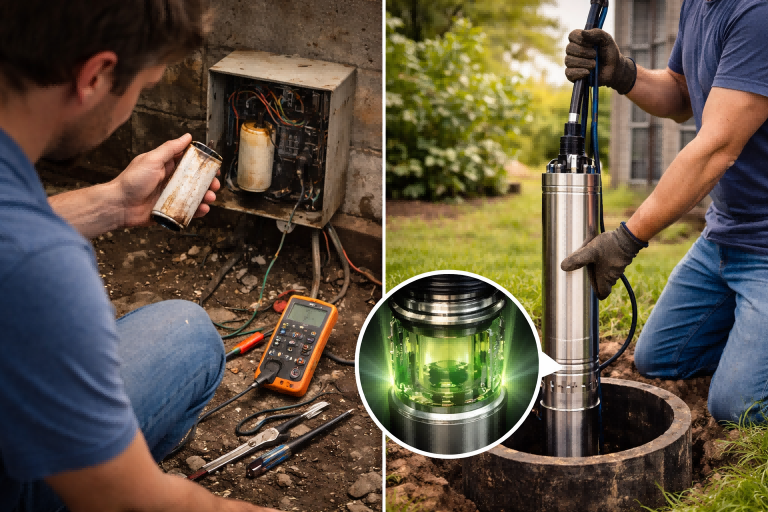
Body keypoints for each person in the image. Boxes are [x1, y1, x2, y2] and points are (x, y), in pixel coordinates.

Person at [0, 2, 277, 511]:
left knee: (182, 325)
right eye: (142, 88)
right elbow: (132, 501)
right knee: (193, 335)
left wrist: (113, 202)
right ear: (98, 75)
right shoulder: (42, 267)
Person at [561, 0, 768, 425]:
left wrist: (626, 238)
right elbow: (679, 94)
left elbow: (716, 149)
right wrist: (624, 74)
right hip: (725, 236)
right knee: (662, 357)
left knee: (736, 407)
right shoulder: (698, 4)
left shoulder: (758, 13)